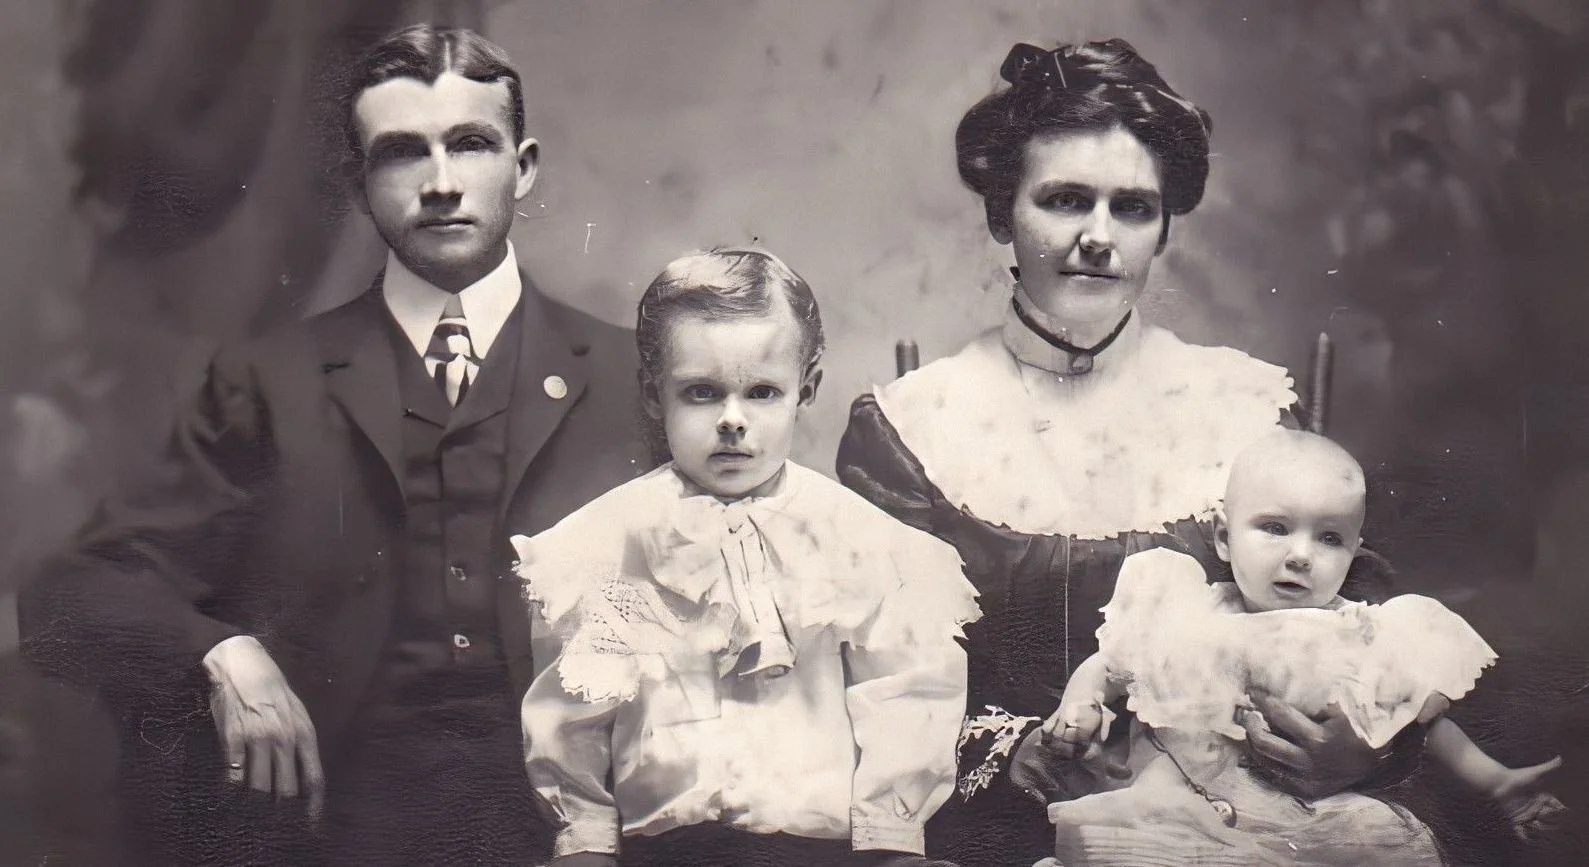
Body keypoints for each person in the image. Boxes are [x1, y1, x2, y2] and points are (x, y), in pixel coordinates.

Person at [17, 24, 651, 866]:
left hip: (576, 830)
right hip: (340, 827)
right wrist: (216, 648)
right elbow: (71, 598)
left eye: (469, 144)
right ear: (358, 183)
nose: (439, 184)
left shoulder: (632, 376)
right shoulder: (267, 380)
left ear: (522, 166)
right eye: (399, 154)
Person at [836, 39, 1418, 866]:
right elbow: (866, 670)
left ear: (1162, 227)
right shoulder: (910, 424)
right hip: (995, 827)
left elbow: (1367, 631)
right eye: (1065, 200)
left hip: (1233, 824)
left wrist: (1357, 744)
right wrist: (1012, 752)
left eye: (1132, 208)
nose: (1098, 238)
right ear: (1003, 214)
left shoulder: (1245, 407)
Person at [514, 249, 980, 867]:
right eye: (701, 393)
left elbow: (904, 696)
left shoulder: (863, 542)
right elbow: (573, 714)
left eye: (761, 392)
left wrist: (892, 838)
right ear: (654, 396)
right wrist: (587, 840)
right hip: (662, 854)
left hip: (829, 855)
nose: (732, 420)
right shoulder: (608, 542)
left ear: (805, 389)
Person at [1032, 430, 1567, 865]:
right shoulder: (1186, 611)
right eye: (1275, 528)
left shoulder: (1357, 633)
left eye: (1329, 538)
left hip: (1308, 820)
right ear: (1223, 536)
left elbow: (1419, 722)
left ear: (1355, 553)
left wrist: (1496, 781)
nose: (1301, 556)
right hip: (1180, 806)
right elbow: (1108, 663)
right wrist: (1079, 706)